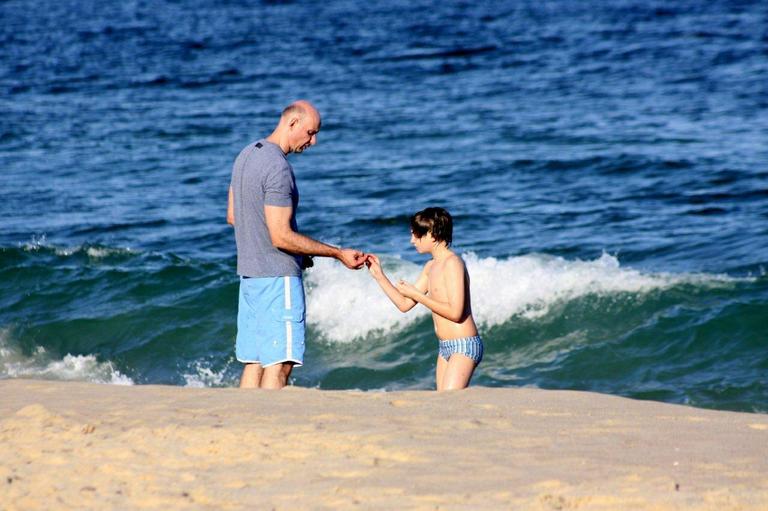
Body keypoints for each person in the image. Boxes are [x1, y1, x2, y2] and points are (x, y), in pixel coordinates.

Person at [227, 100, 366, 389]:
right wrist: (337, 253)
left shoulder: (245, 155)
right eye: (310, 133)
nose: (313, 142)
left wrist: (270, 244)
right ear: (292, 124)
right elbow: (280, 236)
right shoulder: (278, 167)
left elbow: (233, 216)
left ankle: (245, 425)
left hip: (250, 276)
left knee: (255, 362)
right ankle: (270, 427)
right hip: (277, 278)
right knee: (280, 365)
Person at [365, 207, 483, 391]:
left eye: (416, 235)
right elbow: (404, 305)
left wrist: (417, 295)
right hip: (444, 347)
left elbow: (455, 312)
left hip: (464, 344)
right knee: (443, 405)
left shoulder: (453, 263)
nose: (412, 241)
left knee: (449, 403)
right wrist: (379, 275)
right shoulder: (430, 267)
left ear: (433, 234)